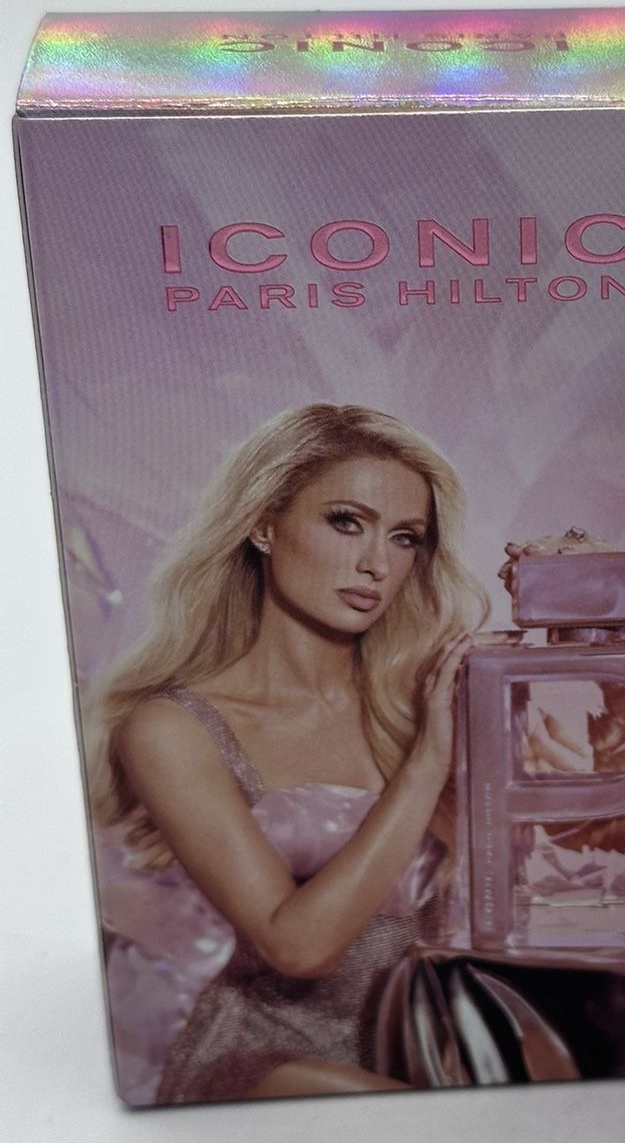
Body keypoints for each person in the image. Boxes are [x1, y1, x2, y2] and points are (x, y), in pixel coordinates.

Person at [88, 403, 484, 1102]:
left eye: (404, 538)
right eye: (346, 522)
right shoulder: (172, 729)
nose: (376, 564)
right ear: (263, 525)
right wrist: (427, 765)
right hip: (268, 1060)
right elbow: (298, 948)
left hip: (431, 1045)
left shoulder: (420, 706)